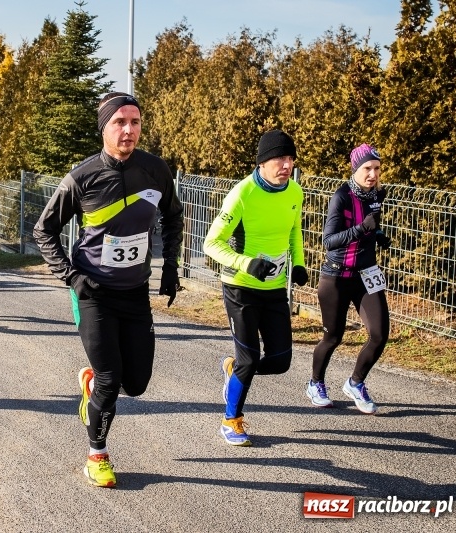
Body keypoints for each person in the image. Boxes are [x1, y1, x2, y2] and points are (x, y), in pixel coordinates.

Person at [33, 92, 184, 488]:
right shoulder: (82, 177)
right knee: (110, 378)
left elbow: (173, 216)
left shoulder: (155, 170)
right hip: (93, 291)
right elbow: (43, 230)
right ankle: (97, 454)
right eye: (120, 122)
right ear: (104, 127)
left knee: (137, 384)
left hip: (134, 292)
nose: (129, 130)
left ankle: (90, 387)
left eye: (135, 122)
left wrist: (169, 267)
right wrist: (70, 276)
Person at [203, 129, 308, 447]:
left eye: (290, 159)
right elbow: (211, 243)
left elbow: (295, 231)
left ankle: (235, 370)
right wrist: (246, 263)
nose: (286, 165)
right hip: (241, 287)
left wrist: (299, 264)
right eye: (280, 158)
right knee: (250, 359)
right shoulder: (242, 194)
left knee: (280, 361)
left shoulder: (294, 192)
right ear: (262, 162)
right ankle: (230, 420)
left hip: (274, 288)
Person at [306, 144, 390, 414]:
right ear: (356, 169)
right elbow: (330, 241)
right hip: (336, 276)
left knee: (379, 334)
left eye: (377, 168)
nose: (373, 174)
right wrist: (362, 229)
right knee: (333, 337)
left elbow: (369, 229)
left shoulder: (376, 196)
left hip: (366, 274)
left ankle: (355, 383)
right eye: (367, 168)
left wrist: (377, 236)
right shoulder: (341, 197)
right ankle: (315, 383)